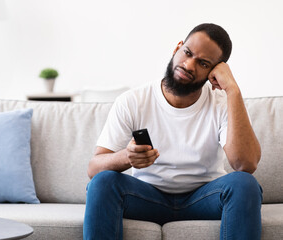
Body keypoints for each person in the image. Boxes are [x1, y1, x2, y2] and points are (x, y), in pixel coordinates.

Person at [83, 23, 262, 240]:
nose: (188, 65)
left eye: (203, 63)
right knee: (102, 183)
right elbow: (94, 168)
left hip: (204, 198)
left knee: (244, 184)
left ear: (214, 72)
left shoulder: (222, 103)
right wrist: (127, 157)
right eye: (187, 52)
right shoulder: (133, 101)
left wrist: (232, 89)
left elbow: (245, 164)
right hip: (145, 197)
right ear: (177, 47)